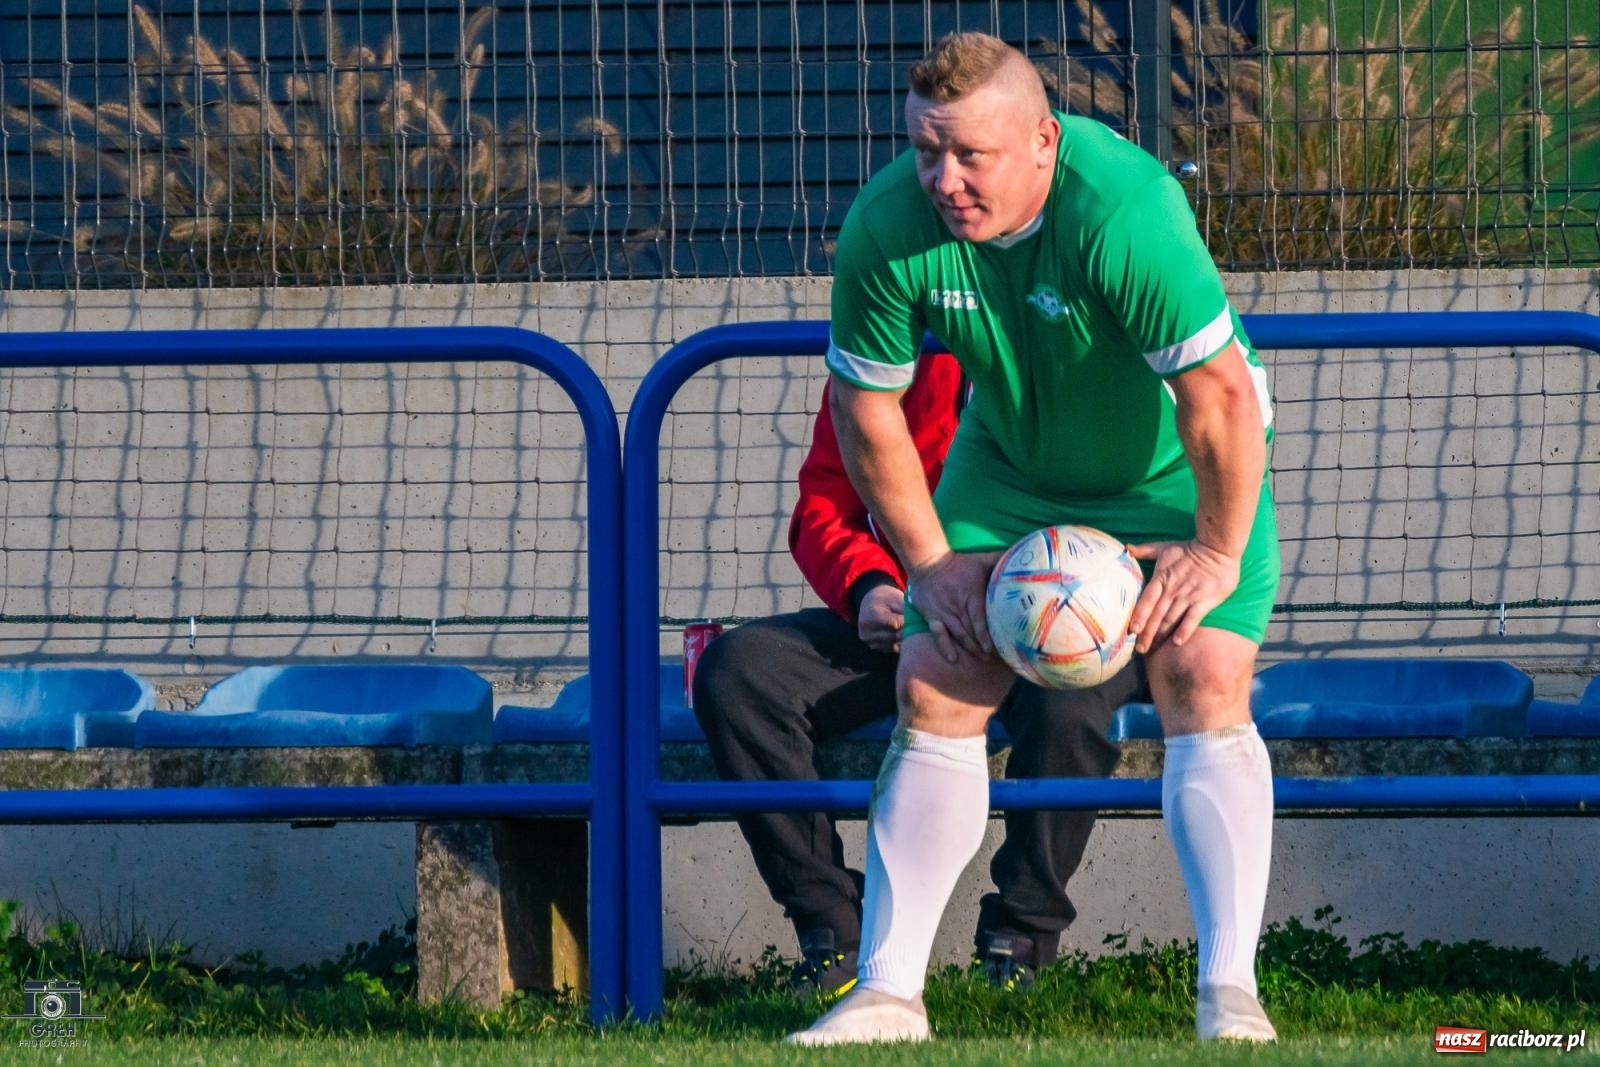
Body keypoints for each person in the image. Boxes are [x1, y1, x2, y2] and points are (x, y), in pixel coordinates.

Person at [788, 32, 1281, 1046]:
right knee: (932, 673)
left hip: (1171, 479)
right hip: (1007, 472)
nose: (945, 178)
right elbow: (866, 411)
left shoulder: (1125, 209)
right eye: (929, 151)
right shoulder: (886, 224)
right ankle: (887, 993)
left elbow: (1221, 399)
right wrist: (930, 562)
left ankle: (1229, 994)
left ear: (1044, 141)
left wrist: (1216, 552)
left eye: (972, 154)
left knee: (1202, 676)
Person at [692, 349, 1140, 999]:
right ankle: (836, 934)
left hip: (1058, 626)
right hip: (920, 619)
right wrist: (869, 587)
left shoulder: (1082, 354)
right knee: (740, 674)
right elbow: (825, 504)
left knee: (1068, 709)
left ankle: (1020, 939)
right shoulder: (889, 359)